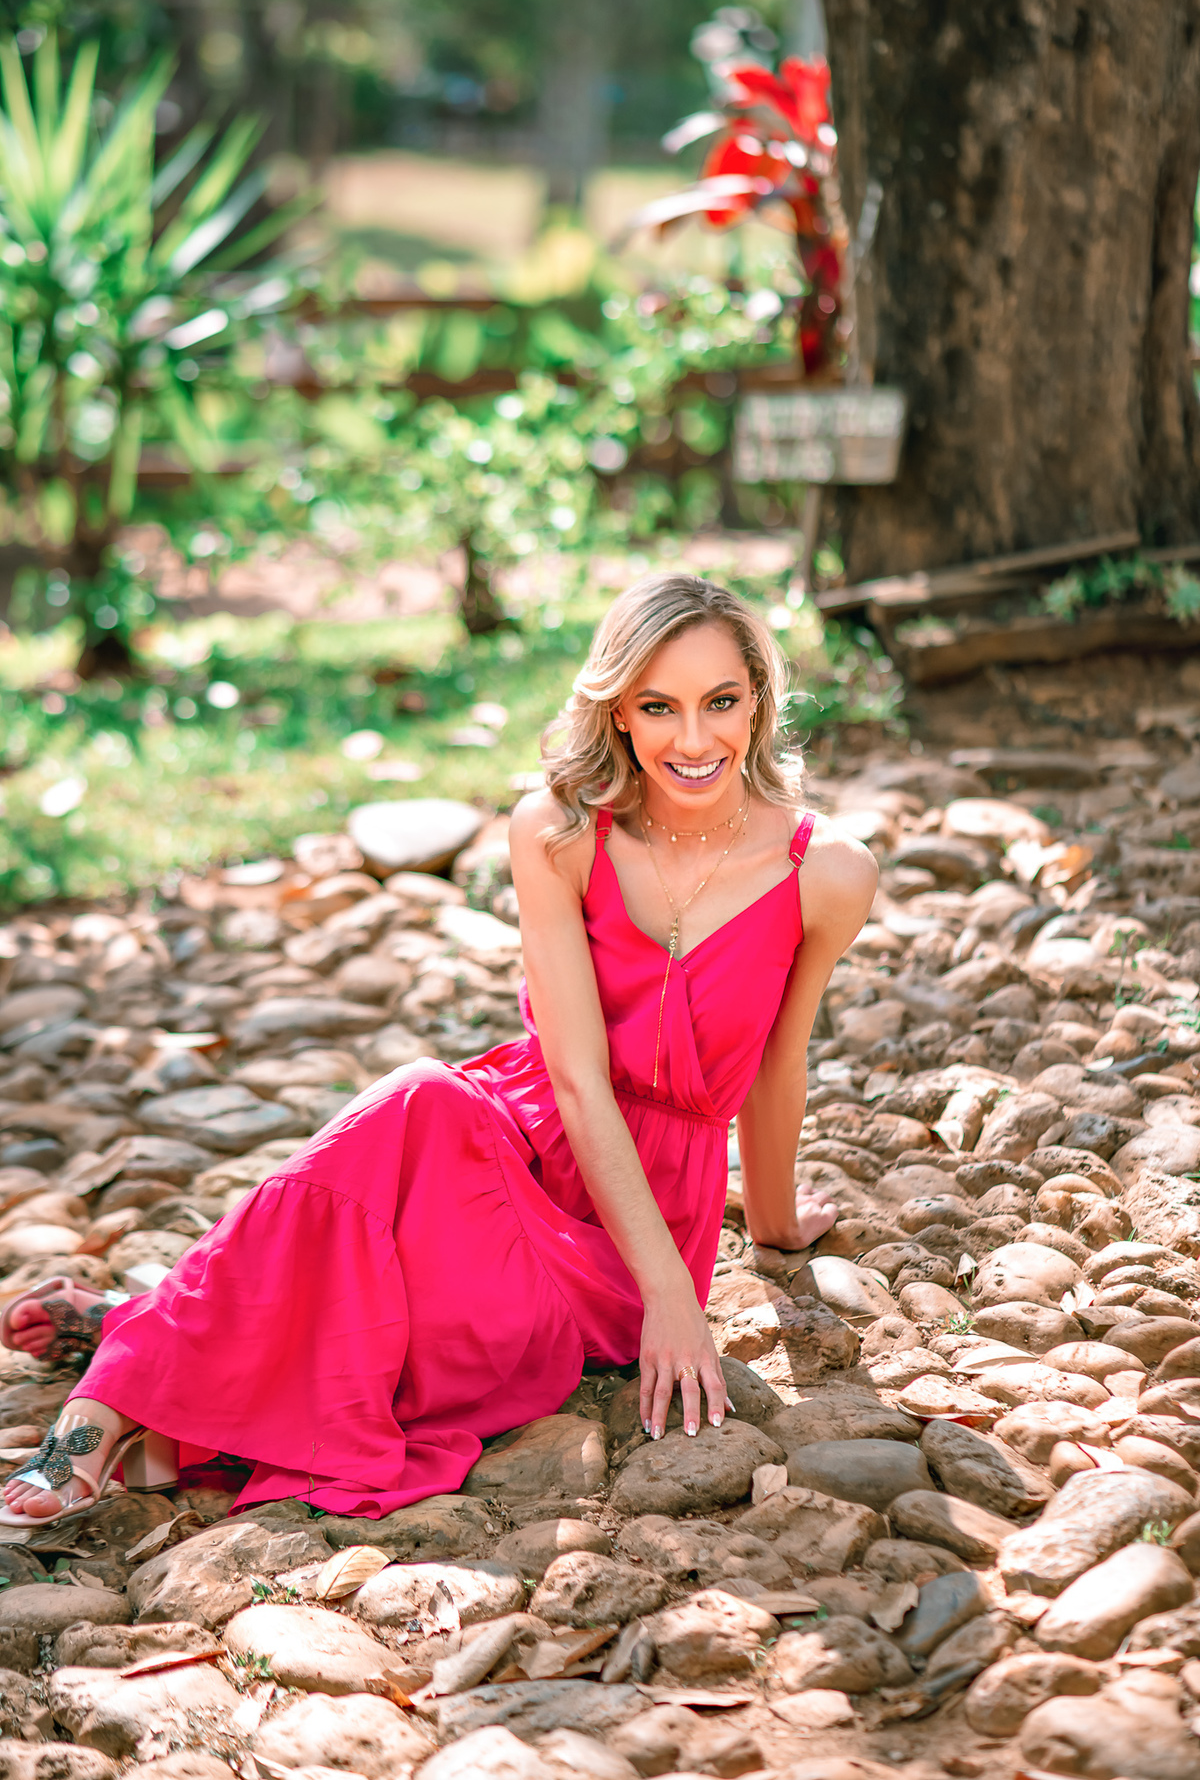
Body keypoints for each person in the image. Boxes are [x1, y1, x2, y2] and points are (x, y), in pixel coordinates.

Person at [1, 572, 876, 1528]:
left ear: (759, 700)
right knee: (416, 1096)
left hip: (640, 1215)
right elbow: (577, 1079)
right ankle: (110, 1398)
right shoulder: (562, 831)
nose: (695, 740)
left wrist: (763, 1231)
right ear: (618, 711)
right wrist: (678, 1295)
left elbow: (779, 1066)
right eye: (659, 706)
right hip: (524, 1125)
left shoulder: (826, 872)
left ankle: (157, 1324)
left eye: (722, 702)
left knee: (443, 1332)